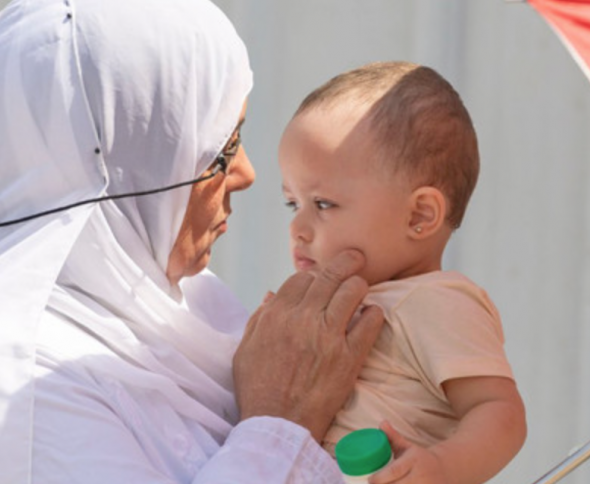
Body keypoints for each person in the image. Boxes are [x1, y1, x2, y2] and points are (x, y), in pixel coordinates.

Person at [0, 0, 384, 483]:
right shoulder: (28, 393)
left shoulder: (192, 306)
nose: (246, 173)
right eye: (221, 151)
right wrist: (281, 422)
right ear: (129, 172)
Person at [278, 61, 527, 483]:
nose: (298, 229)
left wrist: (444, 467)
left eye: (323, 204)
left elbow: (499, 411)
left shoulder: (437, 302)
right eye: (292, 203)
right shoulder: (336, 303)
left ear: (419, 215)